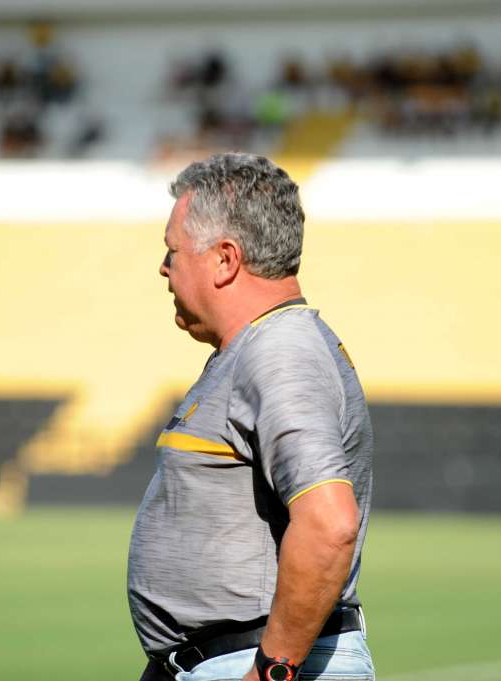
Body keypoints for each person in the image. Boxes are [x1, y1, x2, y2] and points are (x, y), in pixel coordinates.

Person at [130, 153, 374, 681]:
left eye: (172, 250)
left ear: (225, 259)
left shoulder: (279, 348)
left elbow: (330, 523)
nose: (163, 266)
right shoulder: (258, 347)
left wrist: (272, 670)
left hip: (251, 660)